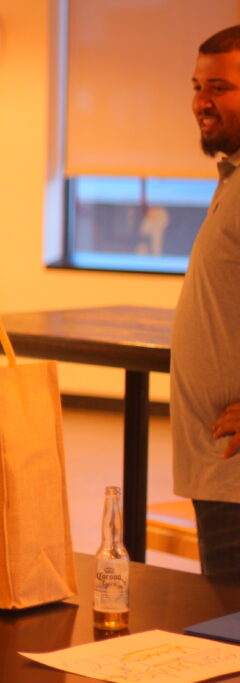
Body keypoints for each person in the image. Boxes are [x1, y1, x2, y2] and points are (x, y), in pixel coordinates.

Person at [172, 24, 240, 579]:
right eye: (198, 86)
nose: (201, 102)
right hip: (218, 472)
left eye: (220, 88)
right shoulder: (232, 178)